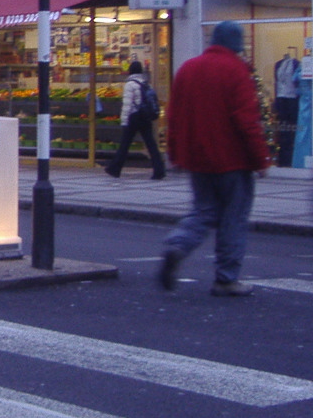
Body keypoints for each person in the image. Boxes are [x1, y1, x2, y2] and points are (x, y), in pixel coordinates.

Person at [159, 21, 271, 297]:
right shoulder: (237, 71)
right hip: (233, 159)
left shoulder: (188, 69)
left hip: (197, 158)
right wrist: (261, 160)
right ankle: (226, 278)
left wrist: (174, 152)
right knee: (233, 217)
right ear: (236, 44)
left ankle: (178, 245)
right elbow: (247, 121)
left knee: (203, 210)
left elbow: (174, 117)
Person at [104, 61, 165, 179]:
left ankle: (115, 169)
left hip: (134, 117)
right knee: (151, 144)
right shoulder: (146, 83)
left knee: (125, 144)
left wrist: (124, 121)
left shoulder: (130, 84)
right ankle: (159, 170)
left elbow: (127, 104)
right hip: (145, 117)